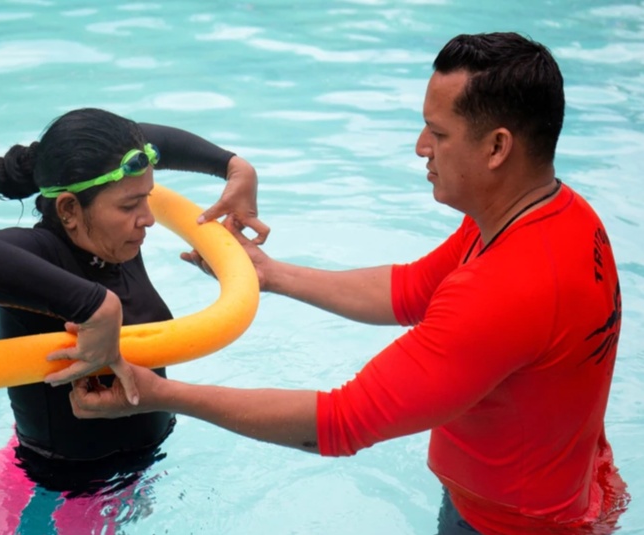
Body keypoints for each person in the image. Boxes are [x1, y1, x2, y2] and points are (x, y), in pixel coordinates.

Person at [68, 33, 631, 535]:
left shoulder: (507, 288)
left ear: (497, 147)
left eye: (438, 132)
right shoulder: (557, 216)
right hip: (565, 491)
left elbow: (340, 423)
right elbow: (412, 289)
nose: (420, 148)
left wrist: (160, 394)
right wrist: (270, 273)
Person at [0, 107, 268, 532]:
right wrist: (94, 306)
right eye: (130, 204)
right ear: (68, 209)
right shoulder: (38, 256)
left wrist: (234, 167)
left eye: (147, 197)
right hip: (58, 491)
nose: (149, 218)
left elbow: (143, 137)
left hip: (136, 469)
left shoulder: (115, 239)